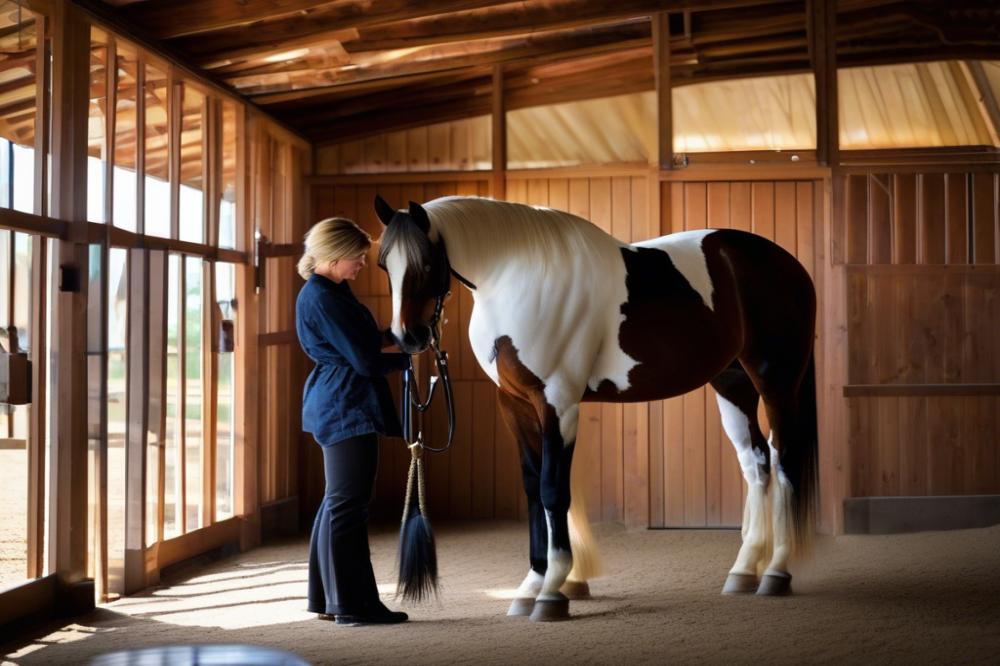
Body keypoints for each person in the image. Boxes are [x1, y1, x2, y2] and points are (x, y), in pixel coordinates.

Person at [296, 217, 411, 626]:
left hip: (341, 400)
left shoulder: (331, 292)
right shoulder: (325, 298)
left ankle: (330, 600)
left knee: (337, 503)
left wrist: (397, 336)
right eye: (357, 256)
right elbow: (363, 360)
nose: (363, 262)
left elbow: (359, 343)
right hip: (345, 404)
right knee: (348, 506)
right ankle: (354, 606)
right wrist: (406, 359)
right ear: (333, 255)